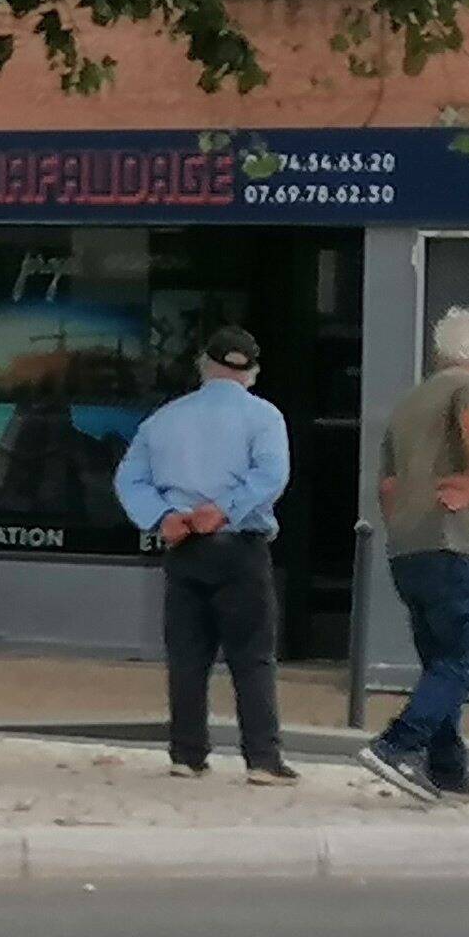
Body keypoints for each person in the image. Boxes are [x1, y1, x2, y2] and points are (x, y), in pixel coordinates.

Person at [113, 327, 298, 783]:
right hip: (240, 546)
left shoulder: (164, 419)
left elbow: (128, 479)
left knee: (187, 657)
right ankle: (262, 760)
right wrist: (226, 509)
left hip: (184, 546)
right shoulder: (265, 417)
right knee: (252, 656)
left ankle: (187, 754)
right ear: (252, 373)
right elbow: (273, 474)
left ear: (203, 365)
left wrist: (160, 519)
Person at [358, 307, 469, 804]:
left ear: (437, 353)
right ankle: (397, 745)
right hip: (459, 544)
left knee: (440, 663)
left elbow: (388, 484)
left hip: (414, 549)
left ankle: (448, 768)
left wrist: (406, 524)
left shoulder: (409, 404)